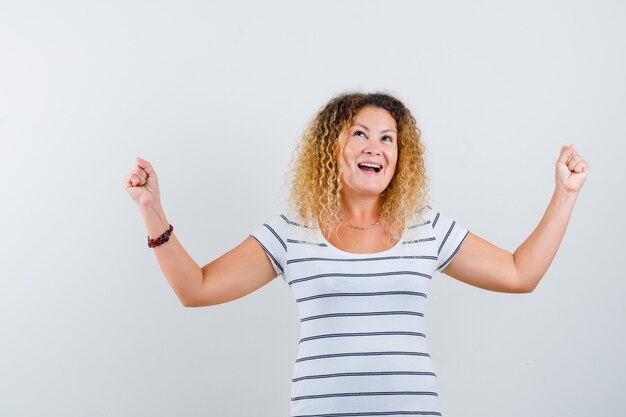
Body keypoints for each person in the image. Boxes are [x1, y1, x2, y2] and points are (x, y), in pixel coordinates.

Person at [123, 92, 589, 416]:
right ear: (333, 147)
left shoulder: (426, 229)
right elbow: (196, 289)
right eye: (360, 134)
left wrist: (565, 195)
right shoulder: (292, 233)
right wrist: (152, 208)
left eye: (388, 138)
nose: (375, 147)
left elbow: (519, 272)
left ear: (400, 157)